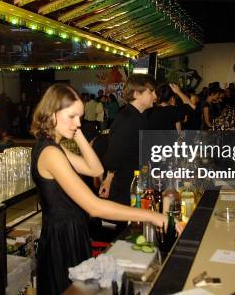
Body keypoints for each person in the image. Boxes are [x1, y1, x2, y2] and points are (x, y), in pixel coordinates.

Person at [30, 83, 171, 294]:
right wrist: (152, 216)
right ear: (52, 114)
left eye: (80, 116)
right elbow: (95, 207)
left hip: (70, 232)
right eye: (72, 116)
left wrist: (75, 132)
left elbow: (95, 169)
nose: (78, 122)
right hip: (62, 239)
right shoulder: (50, 153)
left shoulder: (53, 146)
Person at [99, 74, 157, 206]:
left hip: (134, 184)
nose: (155, 96)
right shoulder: (129, 119)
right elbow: (112, 159)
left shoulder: (138, 116)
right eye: (151, 92)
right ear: (136, 94)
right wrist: (109, 179)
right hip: (126, 189)